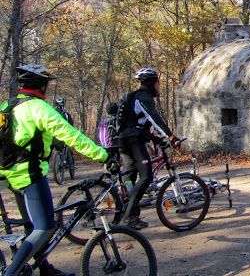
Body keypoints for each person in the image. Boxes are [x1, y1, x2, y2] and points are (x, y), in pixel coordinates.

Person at [0, 64, 111, 276]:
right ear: (41, 86)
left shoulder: (8, 104)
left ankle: (44, 268)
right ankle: (11, 273)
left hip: (8, 172)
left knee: (32, 227)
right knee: (44, 227)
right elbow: (71, 136)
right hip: (28, 174)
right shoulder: (39, 108)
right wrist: (102, 155)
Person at [118, 67, 180, 229]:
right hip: (133, 142)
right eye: (158, 82)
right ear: (152, 82)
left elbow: (136, 124)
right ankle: (129, 216)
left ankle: (126, 211)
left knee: (130, 177)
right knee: (146, 176)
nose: (159, 85)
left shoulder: (131, 97)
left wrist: (154, 139)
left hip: (125, 139)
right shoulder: (143, 97)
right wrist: (170, 136)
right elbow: (154, 118)